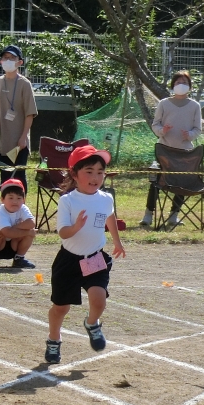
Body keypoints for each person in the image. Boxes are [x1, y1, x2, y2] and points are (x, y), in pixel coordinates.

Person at [45, 145, 126, 364]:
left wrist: (117, 242)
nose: (95, 177)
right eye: (89, 171)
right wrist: (76, 227)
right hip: (68, 261)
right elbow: (62, 232)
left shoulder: (106, 198)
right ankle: (54, 339)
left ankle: (92, 324)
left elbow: (110, 217)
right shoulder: (68, 201)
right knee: (61, 307)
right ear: (74, 174)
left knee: (99, 301)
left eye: (100, 172)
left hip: (94, 257)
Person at [143, 71, 203, 228]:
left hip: (185, 152)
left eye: (184, 82)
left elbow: (198, 129)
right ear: (173, 85)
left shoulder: (195, 106)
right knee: (155, 181)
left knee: (183, 182)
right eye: (178, 82)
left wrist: (189, 135)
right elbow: (155, 124)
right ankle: (148, 214)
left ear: (190, 86)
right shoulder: (164, 103)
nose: (181, 85)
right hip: (164, 151)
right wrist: (162, 130)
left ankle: (174, 215)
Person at [0, 44, 38, 192]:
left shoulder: (25, 84)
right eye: (5, 57)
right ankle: (6, 205)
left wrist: (23, 138)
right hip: (2, 141)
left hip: (19, 143)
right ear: (0, 61)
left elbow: (30, 114)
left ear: (19, 62)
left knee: (19, 177)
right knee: (5, 179)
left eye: (12, 58)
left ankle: (21, 205)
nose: (8, 60)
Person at [0, 178, 37, 269]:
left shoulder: (23, 208)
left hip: (13, 245)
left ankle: (19, 258)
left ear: (23, 200)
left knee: (30, 229)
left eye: (19, 198)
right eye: (11, 198)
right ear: (2, 199)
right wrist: (27, 232)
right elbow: (7, 232)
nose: (15, 201)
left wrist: (13, 229)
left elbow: (31, 223)